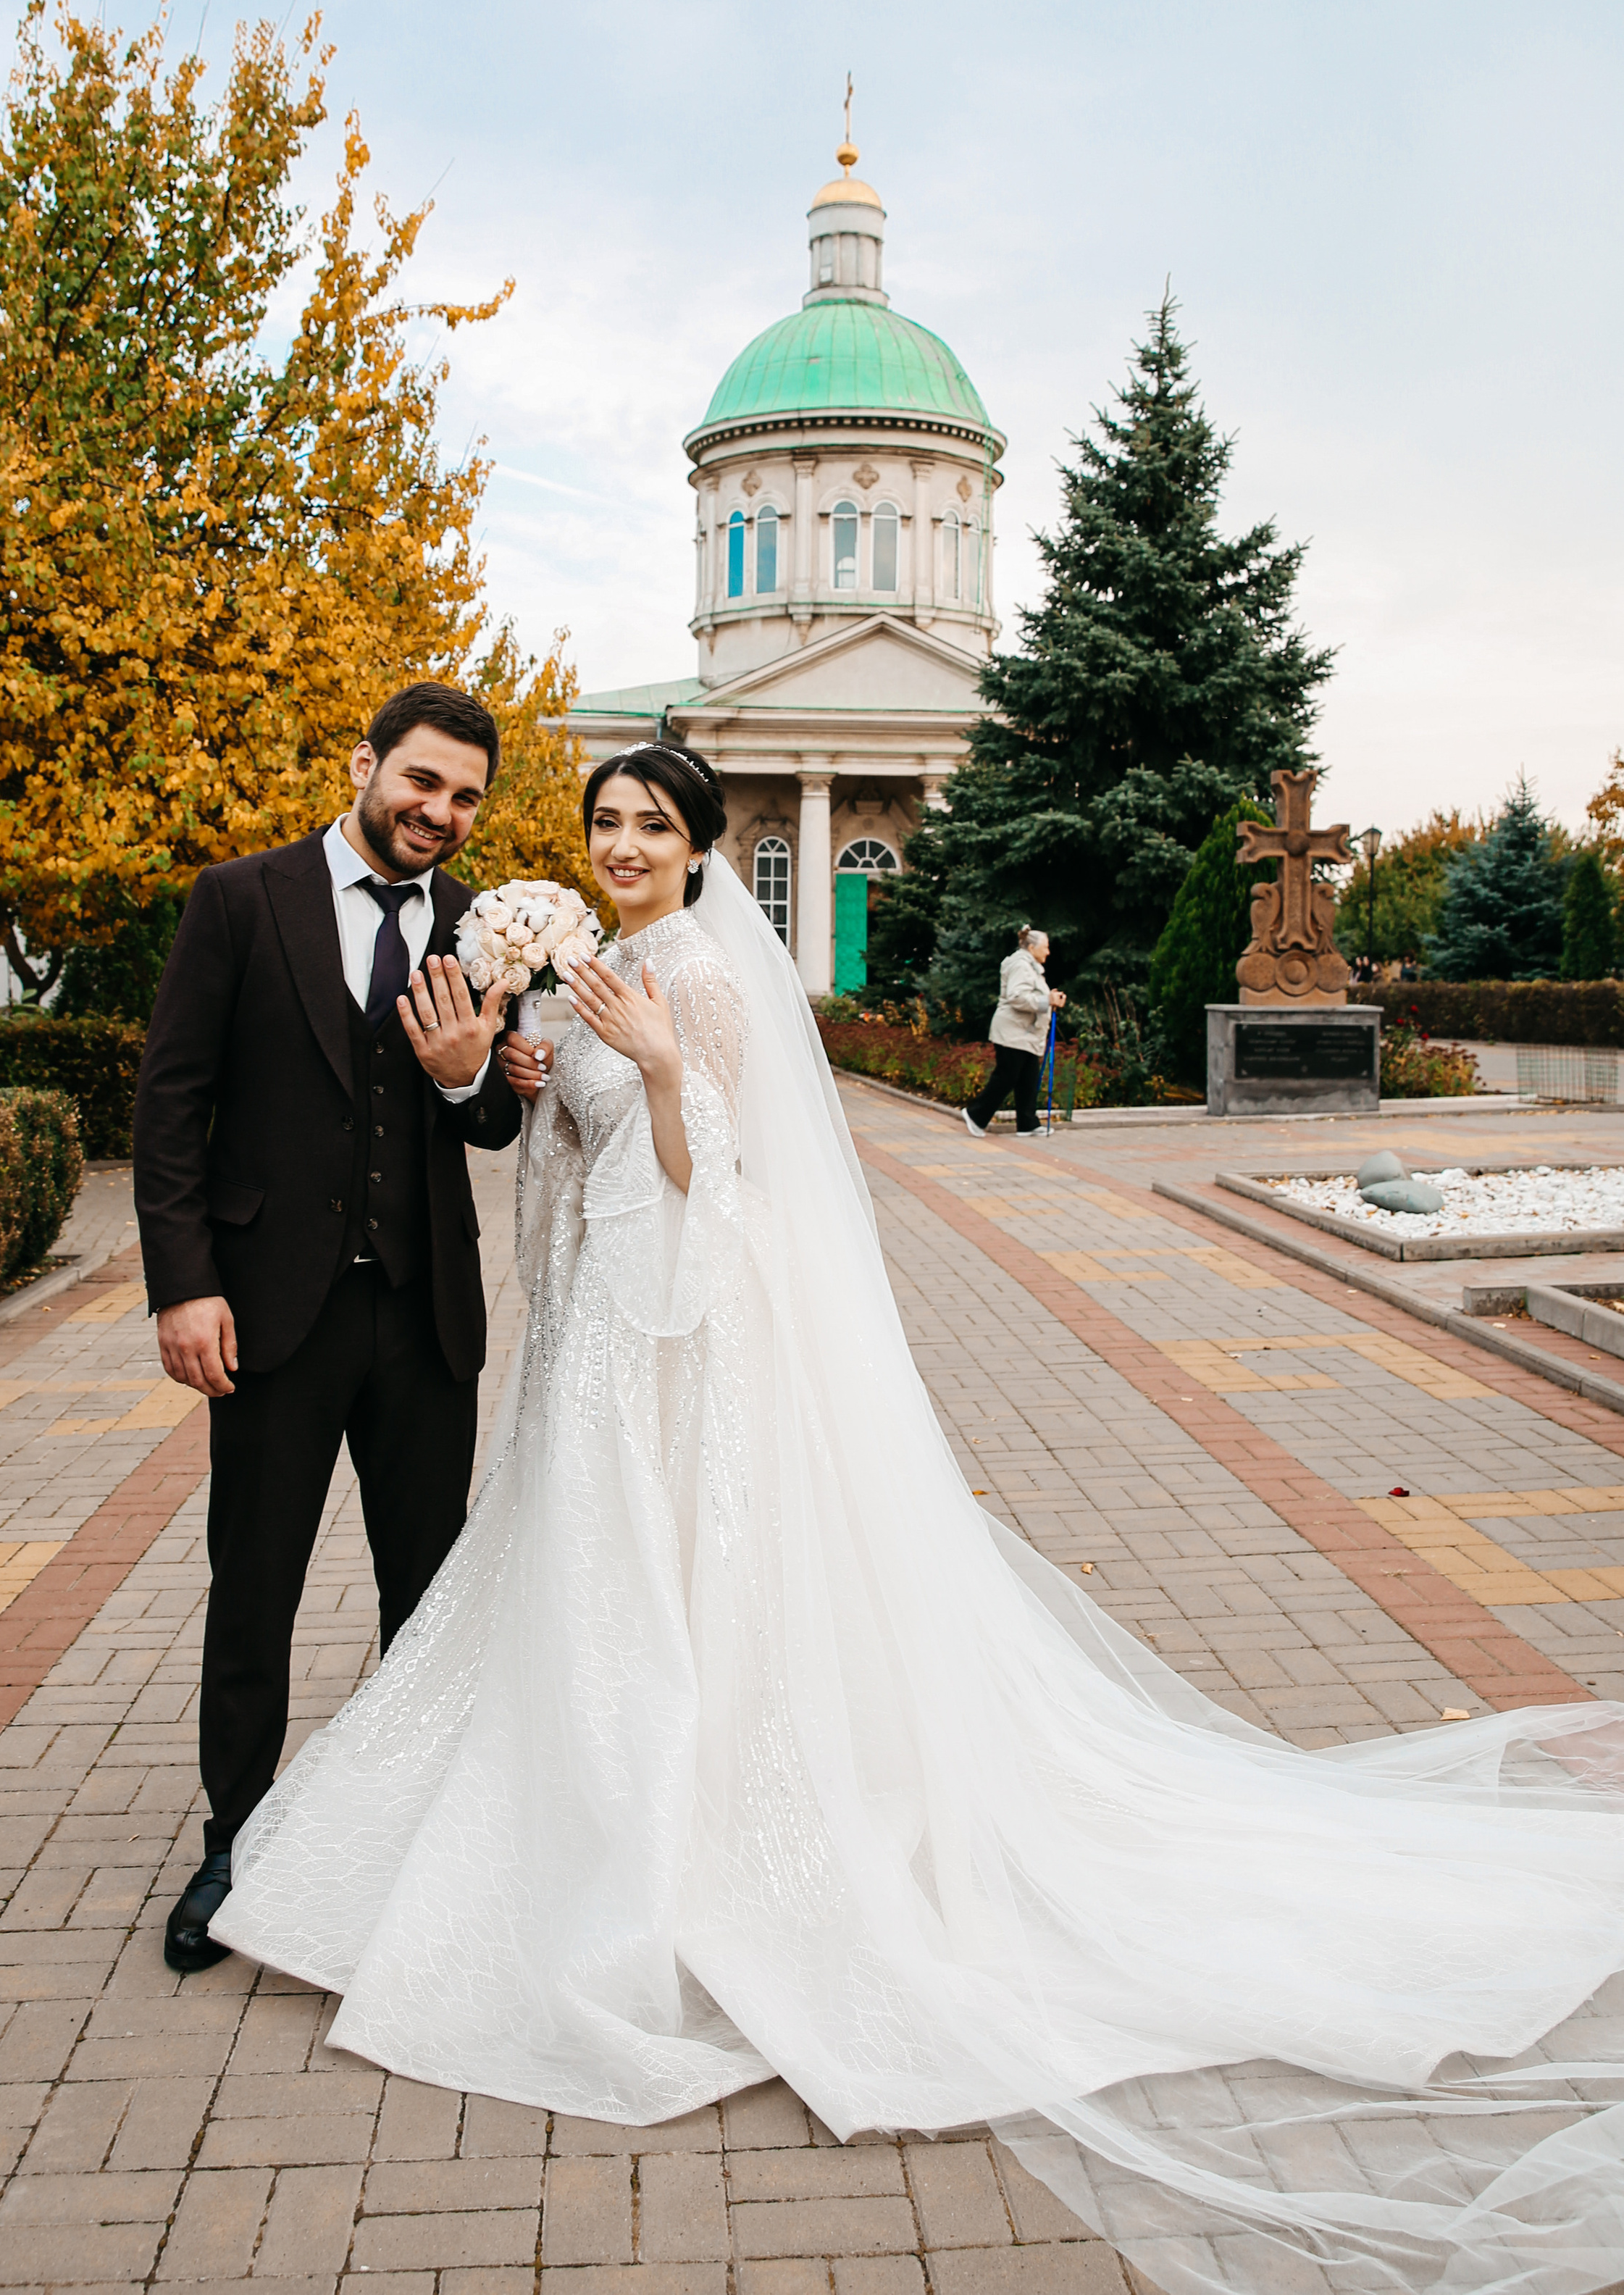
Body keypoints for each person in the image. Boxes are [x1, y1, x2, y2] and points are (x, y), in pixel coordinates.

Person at [208, 740, 1624, 2295]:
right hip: (599, 1336)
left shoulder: (703, 983)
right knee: (596, 1586)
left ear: (694, 845)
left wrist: (661, 1070)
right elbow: (564, 1152)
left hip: (678, 1339)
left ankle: (682, 1858)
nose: (620, 846)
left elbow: (715, 1185)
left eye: (650, 827)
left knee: (682, 1591)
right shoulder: (598, 965)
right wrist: (535, 1080)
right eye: (603, 823)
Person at [133, 682, 523, 1975]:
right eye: (422, 782)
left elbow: (493, 1127)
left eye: (465, 796)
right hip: (268, 1314)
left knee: (426, 1597)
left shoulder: (481, 929)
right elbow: (171, 1106)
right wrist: (183, 1285)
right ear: (366, 764)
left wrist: (472, 1072)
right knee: (256, 1592)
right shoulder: (241, 902)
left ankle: (410, 1842)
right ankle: (233, 1848)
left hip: (424, 1316)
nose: (441, 813)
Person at [963, 925, 1066, 1136]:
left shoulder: (1030, 966)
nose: (1048, 952)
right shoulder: (1021, 965)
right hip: (1014, 1031)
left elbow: (1030, 995)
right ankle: (975, 1115)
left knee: (1028, 1077)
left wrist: (1050, 999)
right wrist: (1047, 1000)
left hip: (1023, 1032)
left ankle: (1027, 1123)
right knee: (1007, 1076)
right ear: (1031, 947)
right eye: (1045, 947)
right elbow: (1016, 997)